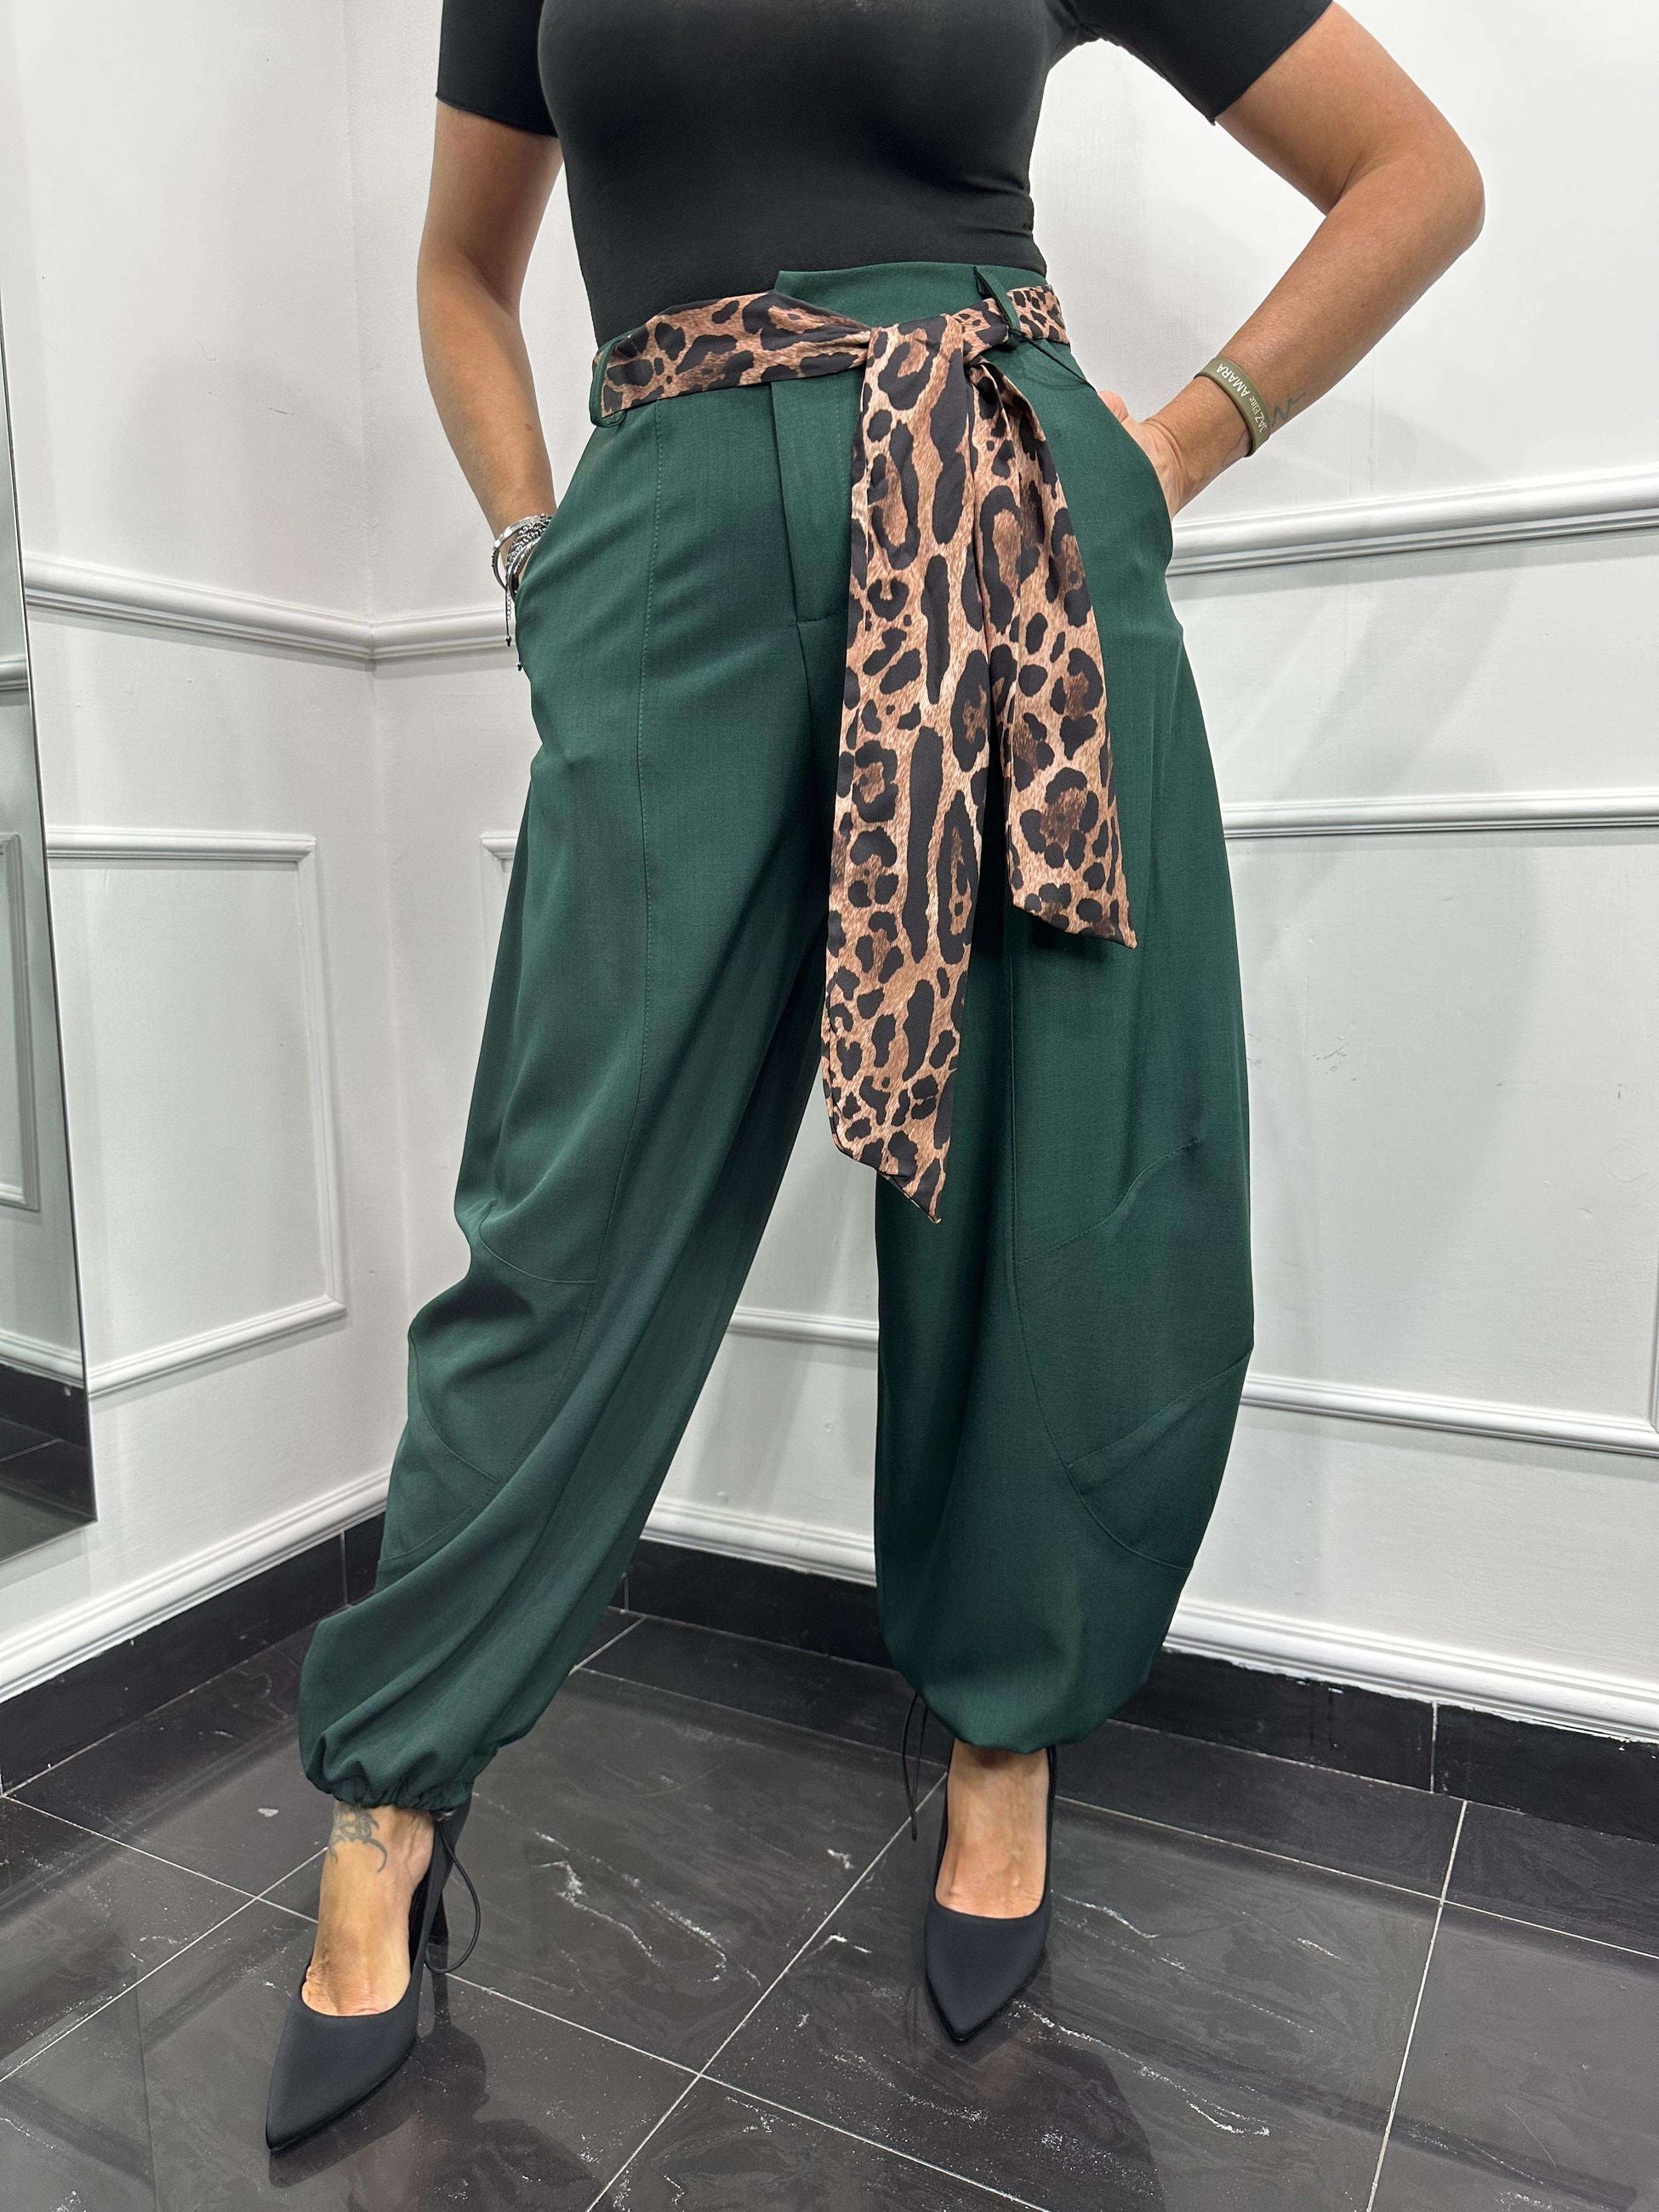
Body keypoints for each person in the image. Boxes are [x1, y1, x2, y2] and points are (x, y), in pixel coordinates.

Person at [265, 0, 1482, 2149]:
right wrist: (539, 550)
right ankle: (391, 1792)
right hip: (662, 544)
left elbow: (1416, 176)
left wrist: (1172, 447)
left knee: (1052, 1177)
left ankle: (1003, 1737)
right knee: (566, 1199)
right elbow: (462, 267)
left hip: (1010, 522)